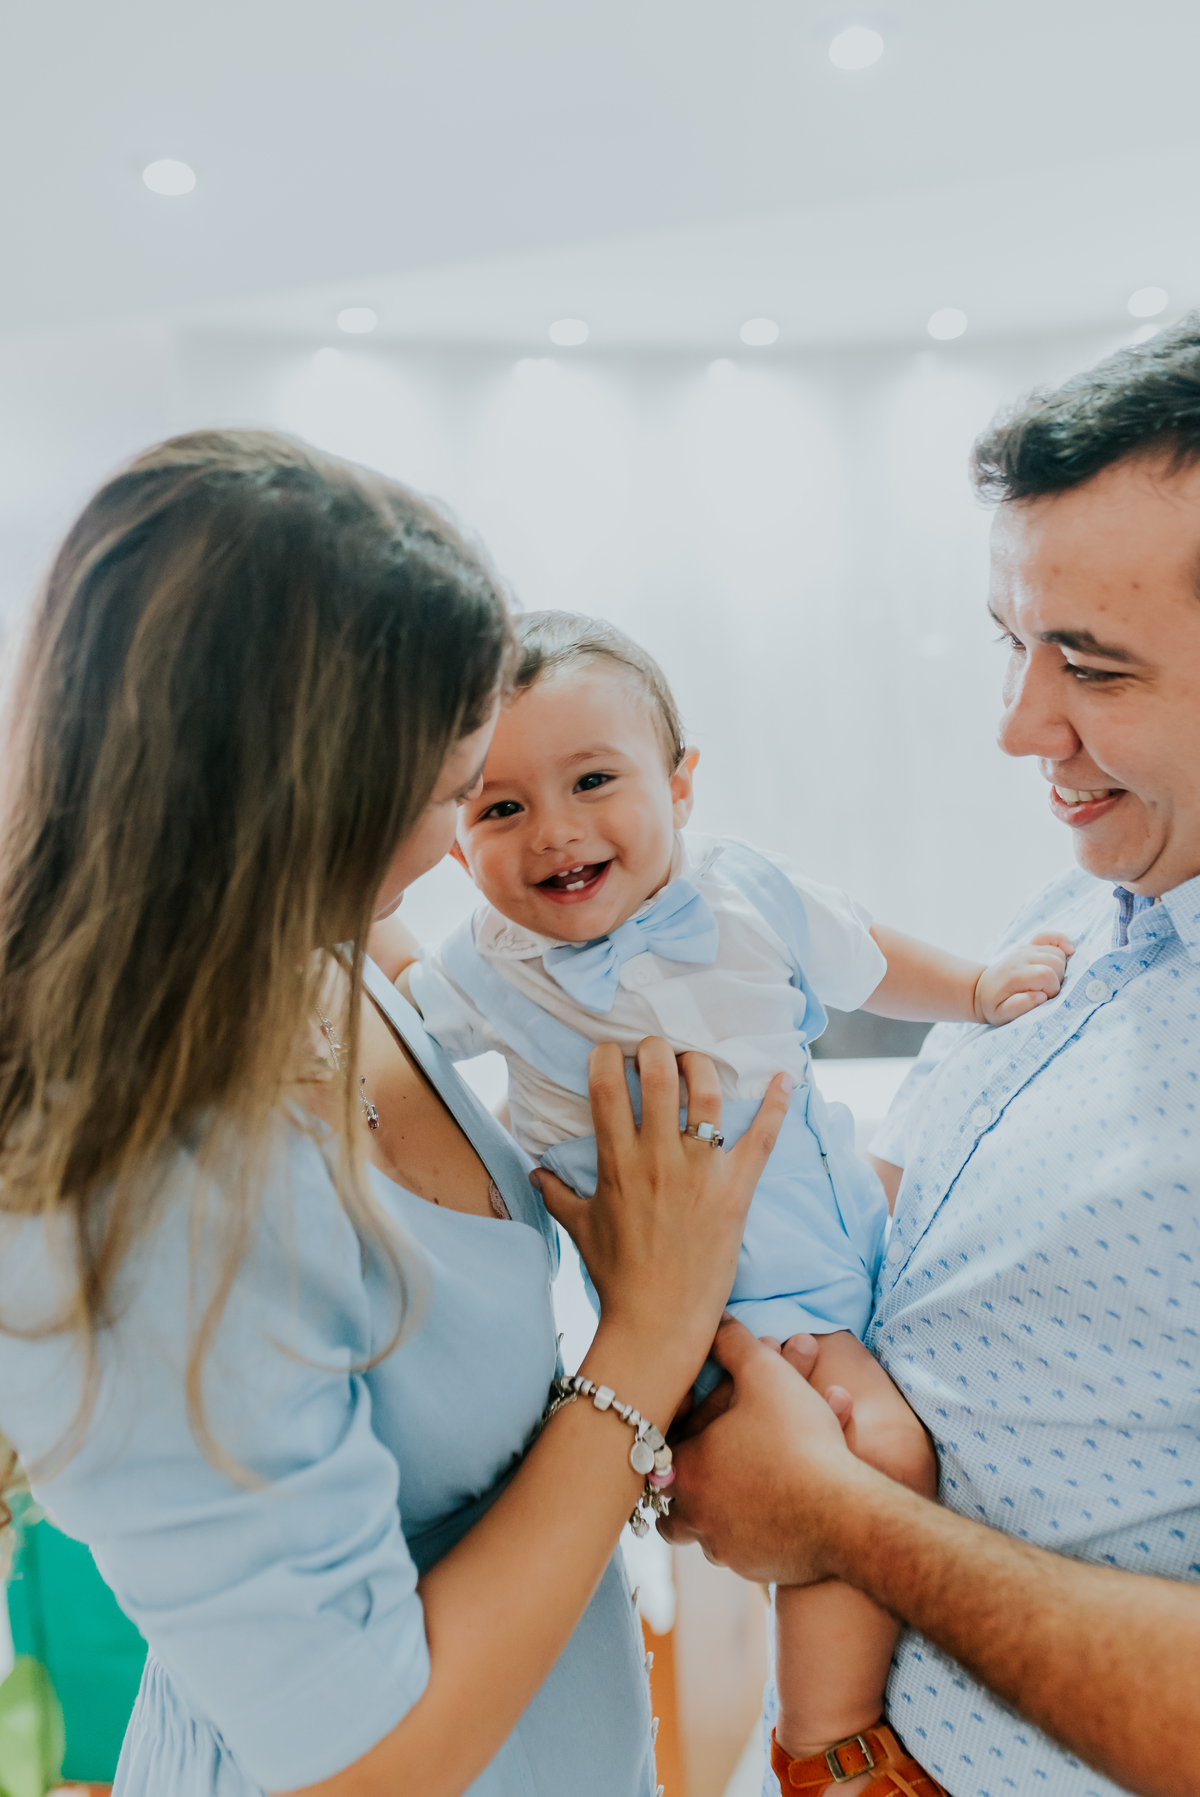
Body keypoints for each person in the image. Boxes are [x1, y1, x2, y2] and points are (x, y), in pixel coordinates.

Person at [0, 429, 796, 1797]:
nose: (452, 851)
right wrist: (651, 1333)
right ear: (284, 802)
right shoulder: (137, 1203)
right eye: (449, 797)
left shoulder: (326, 951)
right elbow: (367, 1765)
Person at [373, 608, 1071, 1797]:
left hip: (848, 1268)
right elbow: (397, 1015)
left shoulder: (744, 893)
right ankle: (828, 1742)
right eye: (499, 809)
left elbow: (861, 955)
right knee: (877, 1460)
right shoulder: (492, 966)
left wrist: (978, 986)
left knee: (892, 1457)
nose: (556, 832)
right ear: (453, 843)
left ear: (682, 786)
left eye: (595, 780)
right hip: (714, 1329)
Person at [660, 315, 1200, 1797]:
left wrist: (840, 1520)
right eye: (1014, 645)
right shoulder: (1083, 919)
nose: (1021, 724)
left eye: (1089, 665)